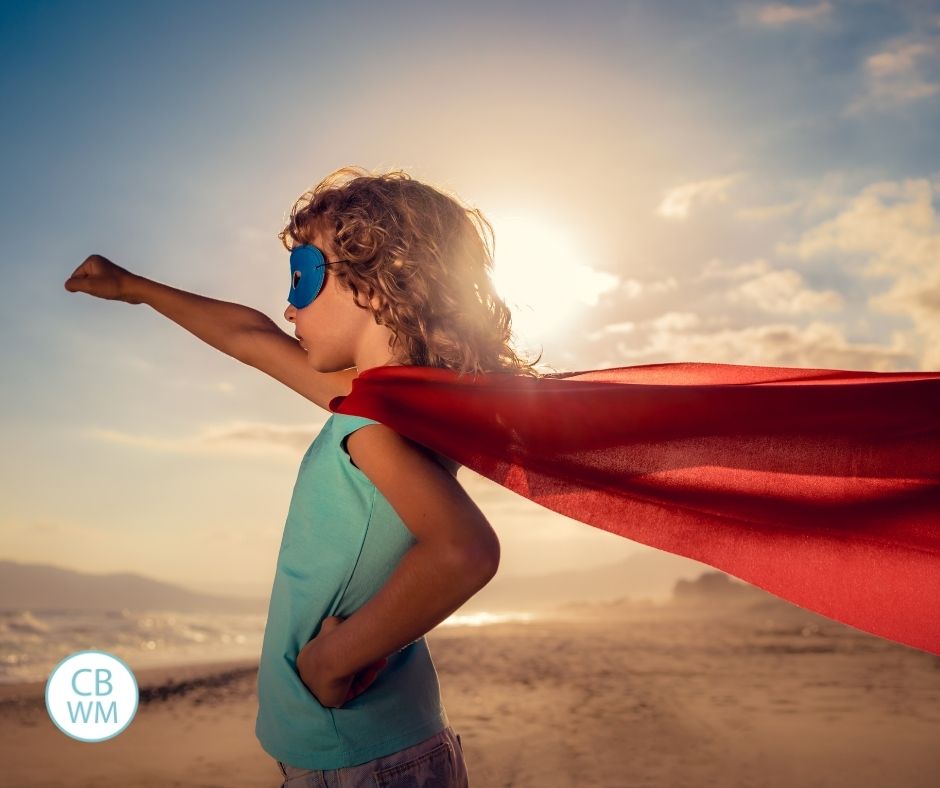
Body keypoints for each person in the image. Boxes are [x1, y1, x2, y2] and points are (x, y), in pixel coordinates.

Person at [63, 165, 544, 787]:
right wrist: (134, 286)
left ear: (375, 285)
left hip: (359, 760)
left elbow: (465, 552)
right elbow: (251, 337)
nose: (289, 306)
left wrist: (330, 662)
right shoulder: (382, 403)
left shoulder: (370, 424)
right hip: (384, 746)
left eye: (304, 278)